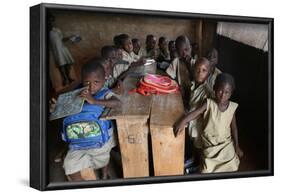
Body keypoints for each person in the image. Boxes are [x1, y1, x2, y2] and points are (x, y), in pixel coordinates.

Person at [51, 59, 121, 181]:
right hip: (76, 140)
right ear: (81, 80)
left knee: (103, 159)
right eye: (87, 82)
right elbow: (63, 111)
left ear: (104, 80)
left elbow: (117, 103)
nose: (91, 86)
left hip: (100, 140)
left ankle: (104, 175)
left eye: (96, 82)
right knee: (69, 165)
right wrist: (56, 108)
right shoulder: (75, 94)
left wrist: (94, 101)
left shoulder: (105, 93)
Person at [174, 73, 243, 173]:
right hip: (209, 143)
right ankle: (197, 168)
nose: (223, 95)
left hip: (225, 143)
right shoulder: (209, 103)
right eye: (220, 91)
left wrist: (237, 146)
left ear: (231, 93)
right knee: (206, 170)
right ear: (214, 88)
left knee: (233, 166)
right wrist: (183, 121)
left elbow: (234, 128)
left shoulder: (232, 107)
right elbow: (196, 112)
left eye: (227, 92)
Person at [184, 57, 213, 173]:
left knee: (200, 147)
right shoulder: (193, 84)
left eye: (204, 70)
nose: (200, 73)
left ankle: (198, 166)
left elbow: (202, 112)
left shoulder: (207, 91)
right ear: (193, 70)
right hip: (192, 123)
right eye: (197, 69)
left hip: (199, 126)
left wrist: (186, 118)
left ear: (208, 73)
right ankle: (194, 160)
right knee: (194, 144)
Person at [49, 15, 80, 86]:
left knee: (69, 63)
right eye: (49, 21)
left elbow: (62, 39)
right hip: (55, 51)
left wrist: (69, 38)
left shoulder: (56, 30)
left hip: (63, 48)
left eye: (52, 21)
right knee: (61, 65)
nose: (51, 23)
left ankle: (68, 77)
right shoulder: (45, 31)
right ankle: (65, 79)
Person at [166, 35, 193, 104]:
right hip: (180, 94)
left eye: (186, 50)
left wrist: (189, 66)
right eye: (181, 51)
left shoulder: (195, 63)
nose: (184, 54)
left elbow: (195, 80)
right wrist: (176, 84)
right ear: (177, 52)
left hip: (192, 96)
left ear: (191, 48)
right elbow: (169, 77)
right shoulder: (176, 62)